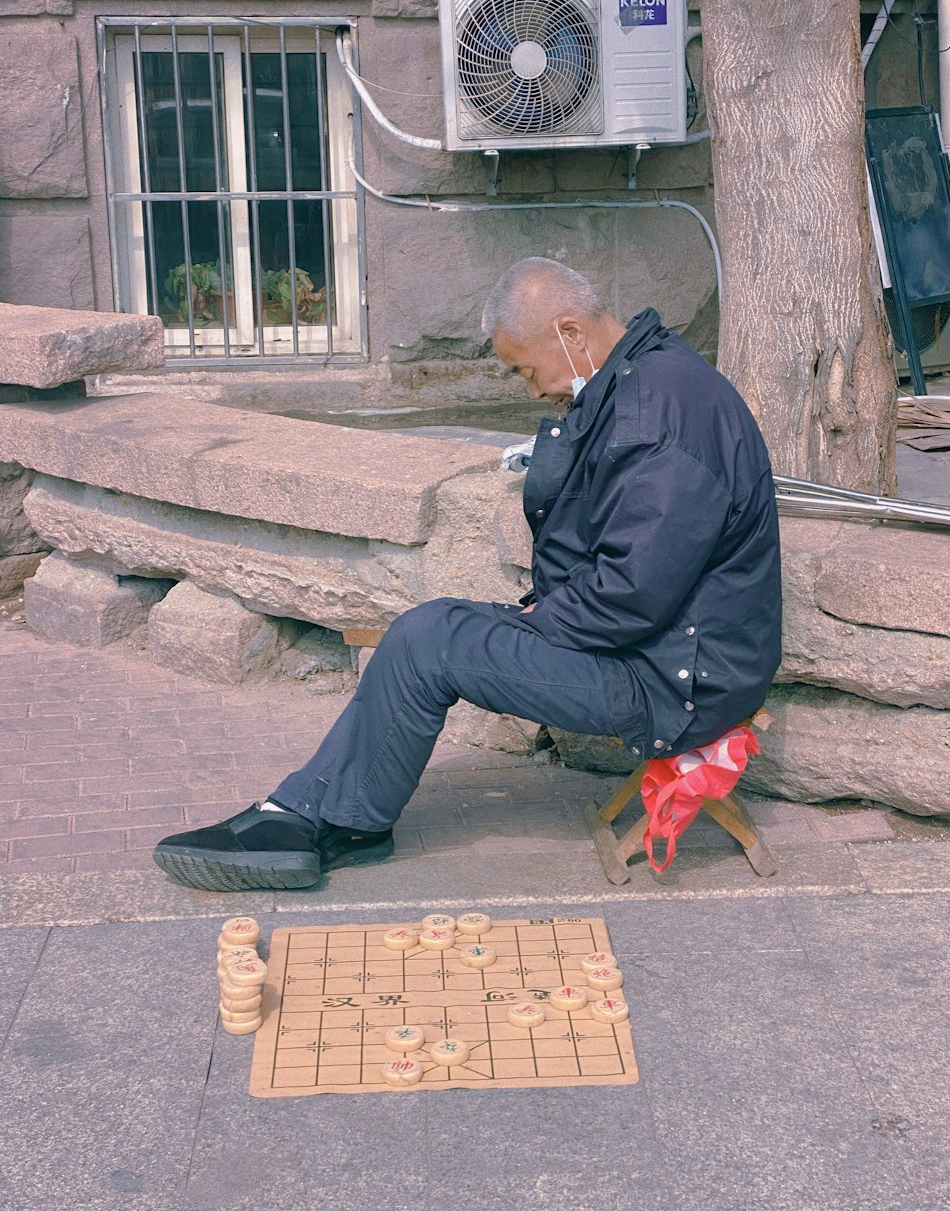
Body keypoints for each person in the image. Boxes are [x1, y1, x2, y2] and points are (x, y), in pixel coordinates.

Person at [153, 257, 782, 892]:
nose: (533, 390)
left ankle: (323, 821)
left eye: (525, 369)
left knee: (430, 641)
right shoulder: (645, 379)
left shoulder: (659, 415)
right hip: (663, 652)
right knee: (431, 631)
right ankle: (325, 813)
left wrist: (541, 619)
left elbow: (631, 594)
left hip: (677, 682)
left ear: (569, 333)